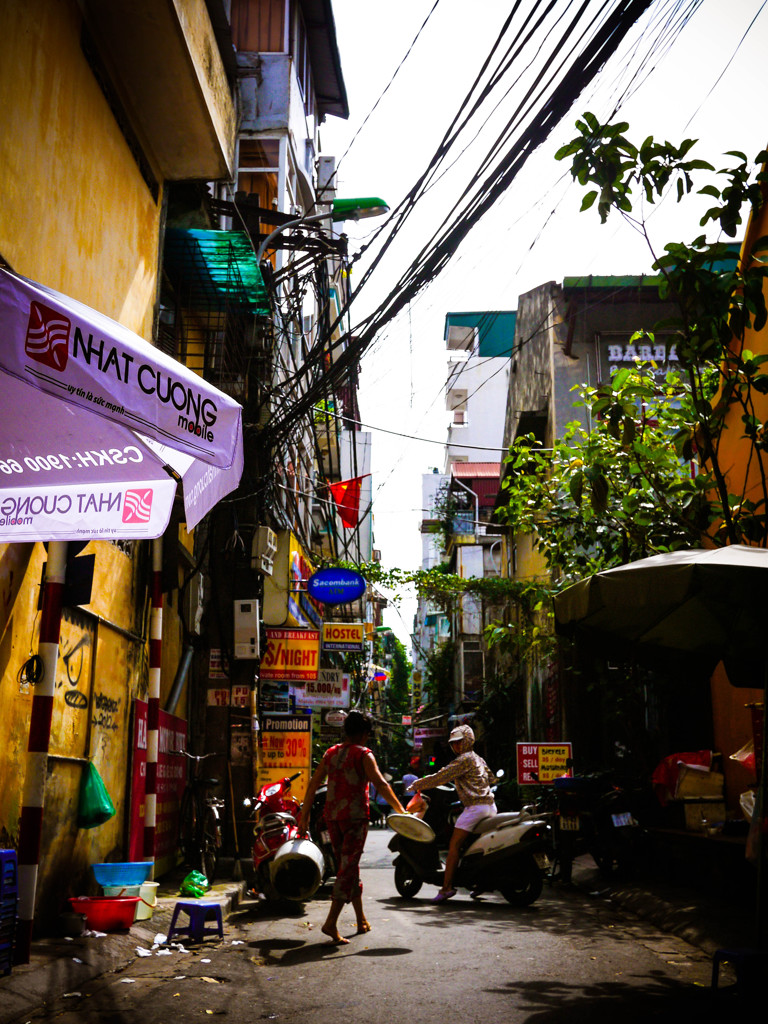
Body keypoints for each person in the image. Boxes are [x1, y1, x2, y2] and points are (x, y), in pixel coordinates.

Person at [298, 710, 406, 943]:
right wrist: (401, 811)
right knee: (347, 870)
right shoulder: (364, 754)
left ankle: (360, 919)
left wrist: (304, 814)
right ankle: (330, 923)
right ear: (365, 734)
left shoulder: (330, 753)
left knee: (348, 867)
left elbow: (313, 784)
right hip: (355, 818)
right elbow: (381, 784)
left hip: (332, 818)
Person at [407, 724, 495, 903]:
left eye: (459, 742)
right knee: (478, 845)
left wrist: (418, 785)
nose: (456, 746)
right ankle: (480, 883)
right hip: (490, 807)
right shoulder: (478, 759)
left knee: (454, 846)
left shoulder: (463, 760)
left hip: (475, 808)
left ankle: (446, 888)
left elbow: (441, 776)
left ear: (468, 741)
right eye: (454, 743)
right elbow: (492, 778)